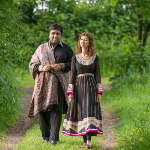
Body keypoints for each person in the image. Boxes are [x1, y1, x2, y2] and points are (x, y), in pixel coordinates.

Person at [28, 23, 74, 145]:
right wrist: (42, 68)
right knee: (42, 109)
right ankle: (45, 137)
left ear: (61, 35)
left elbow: (73, 64)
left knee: (55, 110)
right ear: (49, 34)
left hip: (58, 84)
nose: (55, 35)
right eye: (53, 33)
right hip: (42, 84)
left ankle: (54, 139)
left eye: (58, 33)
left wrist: (61, 65)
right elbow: (32, 64)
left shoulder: (66, 49)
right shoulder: (41, 48)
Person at [62, 32, 103, 149]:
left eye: (85, 40)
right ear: (79, 42)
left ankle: (89, 141)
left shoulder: (95, 58)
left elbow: (98, 75)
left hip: (91, 87)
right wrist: (71, 92)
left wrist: (99, 91)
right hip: (79, 88)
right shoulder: (75, 58)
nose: (83, 42)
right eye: (81, 40)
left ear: (89, 42)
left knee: (89, 112)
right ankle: (85, 142)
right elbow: (72, 76)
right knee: (81, 113)